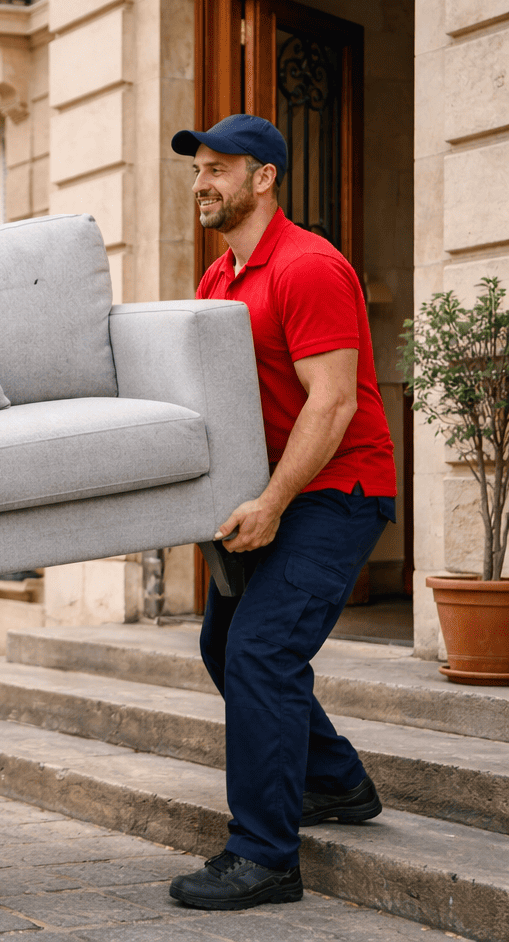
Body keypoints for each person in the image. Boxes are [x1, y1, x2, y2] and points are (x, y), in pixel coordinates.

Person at [166, 114, 396, 910]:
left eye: (219, 168)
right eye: (198, 169)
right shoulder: (218, 278)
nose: (203, 182)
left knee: (261, 651)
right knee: (225, 642)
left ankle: (264, 857)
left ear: (264, 177)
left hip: (338, 490)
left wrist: (272, 500)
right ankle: (337, 783)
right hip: (273, 491)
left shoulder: (310, 267)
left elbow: (331, 405)